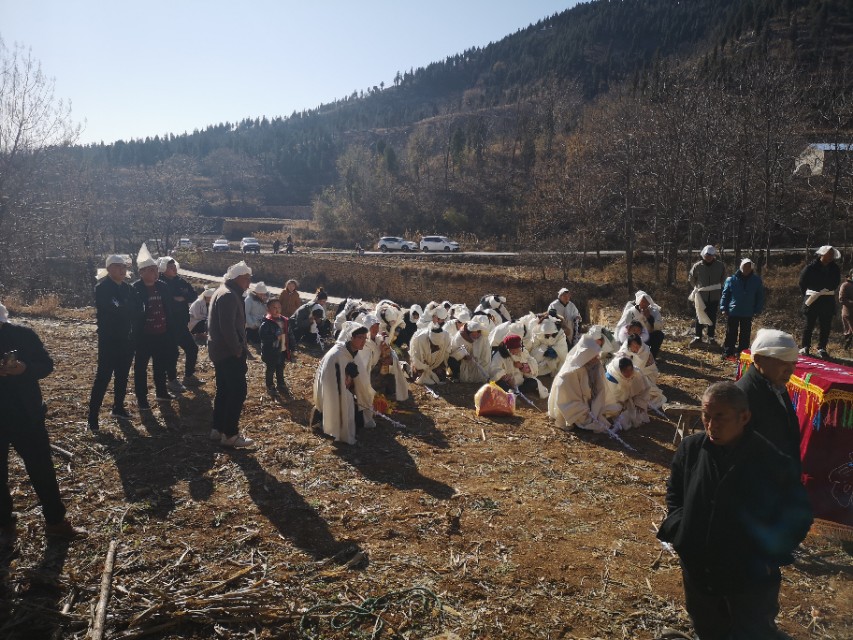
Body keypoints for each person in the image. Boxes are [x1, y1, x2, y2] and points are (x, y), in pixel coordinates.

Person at [657, 382, 813, 640]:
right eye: (706, 415)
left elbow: (800, 515)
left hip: (746, 577)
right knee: (708, 626)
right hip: (699, 568)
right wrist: (681, 530)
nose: (711, 425)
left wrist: (766, 555)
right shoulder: (692, 449)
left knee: (751, 631)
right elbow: (676, 494)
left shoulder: (771, 460)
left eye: (720, 417)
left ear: (744, 417)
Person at [0, 302, 87, 544]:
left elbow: (46, 365)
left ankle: (56, 522)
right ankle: (5, 524)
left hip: (25, 415)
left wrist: (24, 368)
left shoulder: (22, 334)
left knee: (41, 469)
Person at [735, 329, 801, 473]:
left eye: (793, 363)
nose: (790, 370)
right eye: (783, 362)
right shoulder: (742, 396)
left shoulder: (776, 387)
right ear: (758, 359)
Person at [87, 255, 140, 430]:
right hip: (109, 340)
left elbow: (137, 310)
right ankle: (92, 417)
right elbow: (114, 309)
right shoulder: (102, 288)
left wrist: (125, 308)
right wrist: (126, 309)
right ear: (109, 269)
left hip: (127, 339)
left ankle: (118, 407)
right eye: (117, 266)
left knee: (123, 375)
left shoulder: (129, 288)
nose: (122, 270)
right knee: (103, 377)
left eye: (124, 267)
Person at [208, 261, 254, 448]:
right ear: (237, 278)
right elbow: (227, 327)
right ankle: (230, 434)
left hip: (220, 351)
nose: (249, 283)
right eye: (246, 279)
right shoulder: (228, 295)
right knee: (237, 391)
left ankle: (217, 429)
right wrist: (237, 350)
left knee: (224, 390)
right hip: (228, 352)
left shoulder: (224, 291)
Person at [132, 244, 177, 410]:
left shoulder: (163, 287)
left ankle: (161, 391)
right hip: (144, 335)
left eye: (155, 270)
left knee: (161, 364)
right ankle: (142, 398)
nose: (155, 273)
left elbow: (168, 310)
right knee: (141, 368)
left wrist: (170, 331)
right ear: (141, 272)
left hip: (162, 332)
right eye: (150, 270)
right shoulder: (135, 289)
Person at [312, 322, 368, 445]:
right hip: (333, 390)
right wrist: (346, 380)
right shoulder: (338, 354)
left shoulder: (352, 351)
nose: (363, 341)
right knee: (347, 402)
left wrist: (352, 379)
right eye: (360, 337)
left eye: (365, 338)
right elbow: (332, 379)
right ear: (351, 338)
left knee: (357, 410)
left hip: (343, 387)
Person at [547, 335, 609, 432]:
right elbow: (568, 399)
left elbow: (601, 388)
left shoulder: (596, 365)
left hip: (588, 403)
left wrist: (596, 408)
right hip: (574, 405)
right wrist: (586, 411)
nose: (597, 356)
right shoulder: (570, 372)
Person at [158, 257, 202, 390]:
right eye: (170, 267)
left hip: (181, 323)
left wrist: (182, 298)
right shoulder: (160, 283)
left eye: (174, 267)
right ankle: (171, 380)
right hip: (168, 324)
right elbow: (166, 301)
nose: (174, 269)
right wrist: (175, 299)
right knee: (172, 353)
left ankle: (188, 376)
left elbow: (194, 294)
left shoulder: (180, 281)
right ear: (164, 269)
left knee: (192, 348)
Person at [799, 245, 842, 358]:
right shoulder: (810, 267)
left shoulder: (835, 268)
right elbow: (802, 283)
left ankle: (822, 347)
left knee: (826, 325)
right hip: (812, 298)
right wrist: (809, 294)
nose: (831, 256)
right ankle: (805, 346)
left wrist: (825, 289)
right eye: (829, 253)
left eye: (832, 254)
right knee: (809, 324)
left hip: (827, 299)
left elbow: (836, 282)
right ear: (822, 254)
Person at [719, 258, 765, 359]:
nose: (746, 269)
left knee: (745, 334)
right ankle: (728, 351)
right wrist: (723, 307)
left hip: (748, 312)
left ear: (751, 268)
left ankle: (742, 353)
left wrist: (758, 309)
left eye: (749, 267)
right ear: (741, 267)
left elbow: (760, 296)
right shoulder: (731, 279)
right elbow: (725, 294)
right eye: (745, 266)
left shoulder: (756, 281)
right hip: (733, 311)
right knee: (731, 332)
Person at [688, 245, 726, 347]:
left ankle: (711, 337)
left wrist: (718, 287)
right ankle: (698, 337)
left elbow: (723, 278)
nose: (709, 257)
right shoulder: (697, 266)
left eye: (711, 255)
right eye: (707, 255)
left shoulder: (720, 266)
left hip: (714, 295)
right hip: (701, 296)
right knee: (699, 316)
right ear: (703, 255)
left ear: (714, 255)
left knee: (712, 316)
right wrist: (697, 288)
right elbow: (691, 278)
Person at [603, 356, 650, 431]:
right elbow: (608, 397)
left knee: (638, 415)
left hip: (632, 401)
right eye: (625, 371)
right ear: (619, 371)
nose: (629, 373)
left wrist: (640, 403)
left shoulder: (637, 373)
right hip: (616, 403)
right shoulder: (611, 377)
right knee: (614, 410)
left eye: (630, 370)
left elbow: (644, 389)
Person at [615, 291, 665, 358]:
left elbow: (659, 326)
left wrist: (649, 318)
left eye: (646, 302)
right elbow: (621, 326)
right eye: (642, 302)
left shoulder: (653, 310)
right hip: (632, 337)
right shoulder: (631, 311)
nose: (644, 304)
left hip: (647, 337)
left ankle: (651, 357)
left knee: (659, 335)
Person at [409, 306, 451, 385]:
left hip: (436, 363)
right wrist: (422, 366)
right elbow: (415, 355)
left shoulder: (446, 337)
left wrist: (441, 365)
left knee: (441, 377)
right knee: (418, 374)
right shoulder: (419, 338)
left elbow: (446, 354)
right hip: (422, 364)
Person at [259, 297, 290, 396]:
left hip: (282, 349)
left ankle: (281, 383)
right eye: (274, 307)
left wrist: (292, 347)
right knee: (271, 369)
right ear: (268, 309)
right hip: (271, 351)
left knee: (280, 367)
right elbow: (263, 336)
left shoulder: (284, 320)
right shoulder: (266, 323)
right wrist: (274, 337)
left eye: (279, 307)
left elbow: (290, 334)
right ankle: (270, 385)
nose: (277, 310)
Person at [449, 318, 490, 383]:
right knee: (452, 361)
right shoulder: (459, 338)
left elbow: (484, 351)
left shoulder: (482, 336)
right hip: (463, 361)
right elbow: (454, 353)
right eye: (474, 335)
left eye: (477, 334)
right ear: (469, 333)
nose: (476, 336)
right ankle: (456, 375)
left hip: (475, 361)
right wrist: (464, 356)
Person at [244, 282, 269, 347]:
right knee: (254, 341)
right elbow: (246, 313)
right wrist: (252, 324)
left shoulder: (265, 299)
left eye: (263, 294)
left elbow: (267, 312)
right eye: (260, 294)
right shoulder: (249, 299)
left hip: (261, 323)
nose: (262, 295)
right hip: (251, 324)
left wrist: (265, 303)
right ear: (256, 292)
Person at [841, 268, 853, 351]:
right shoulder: (845, 285)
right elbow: (842, 299)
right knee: (849, 332)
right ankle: (846, 350)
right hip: (848, 313)